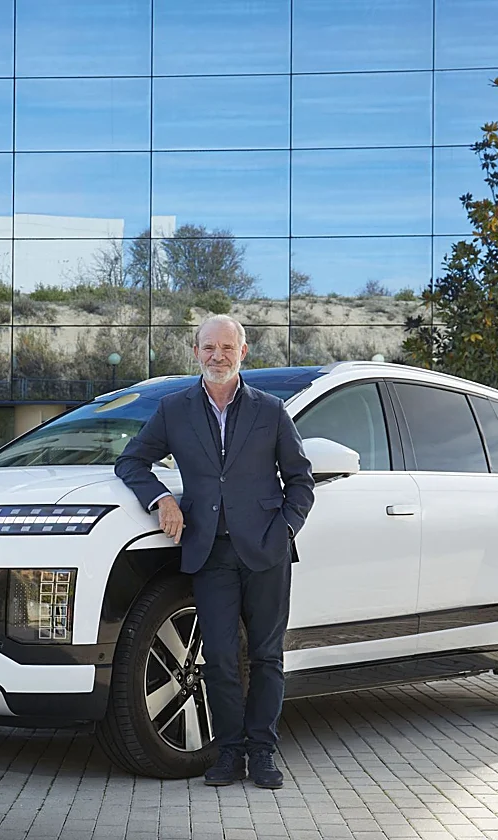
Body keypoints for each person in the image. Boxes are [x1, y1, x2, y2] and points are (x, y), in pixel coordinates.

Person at [114, 314, 315, 789]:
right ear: (196, 351)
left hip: (266, 550)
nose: (218, 356)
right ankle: (229, 753)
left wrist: (284, 529)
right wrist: (161, 498)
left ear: (243, 352)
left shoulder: (271, 410)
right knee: (220, 658)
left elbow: (301, 480)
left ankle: (263, 753)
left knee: (266, 656)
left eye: (227, 347)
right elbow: (131, 461)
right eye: (209, 347)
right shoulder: (174, 409)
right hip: (209, 551)